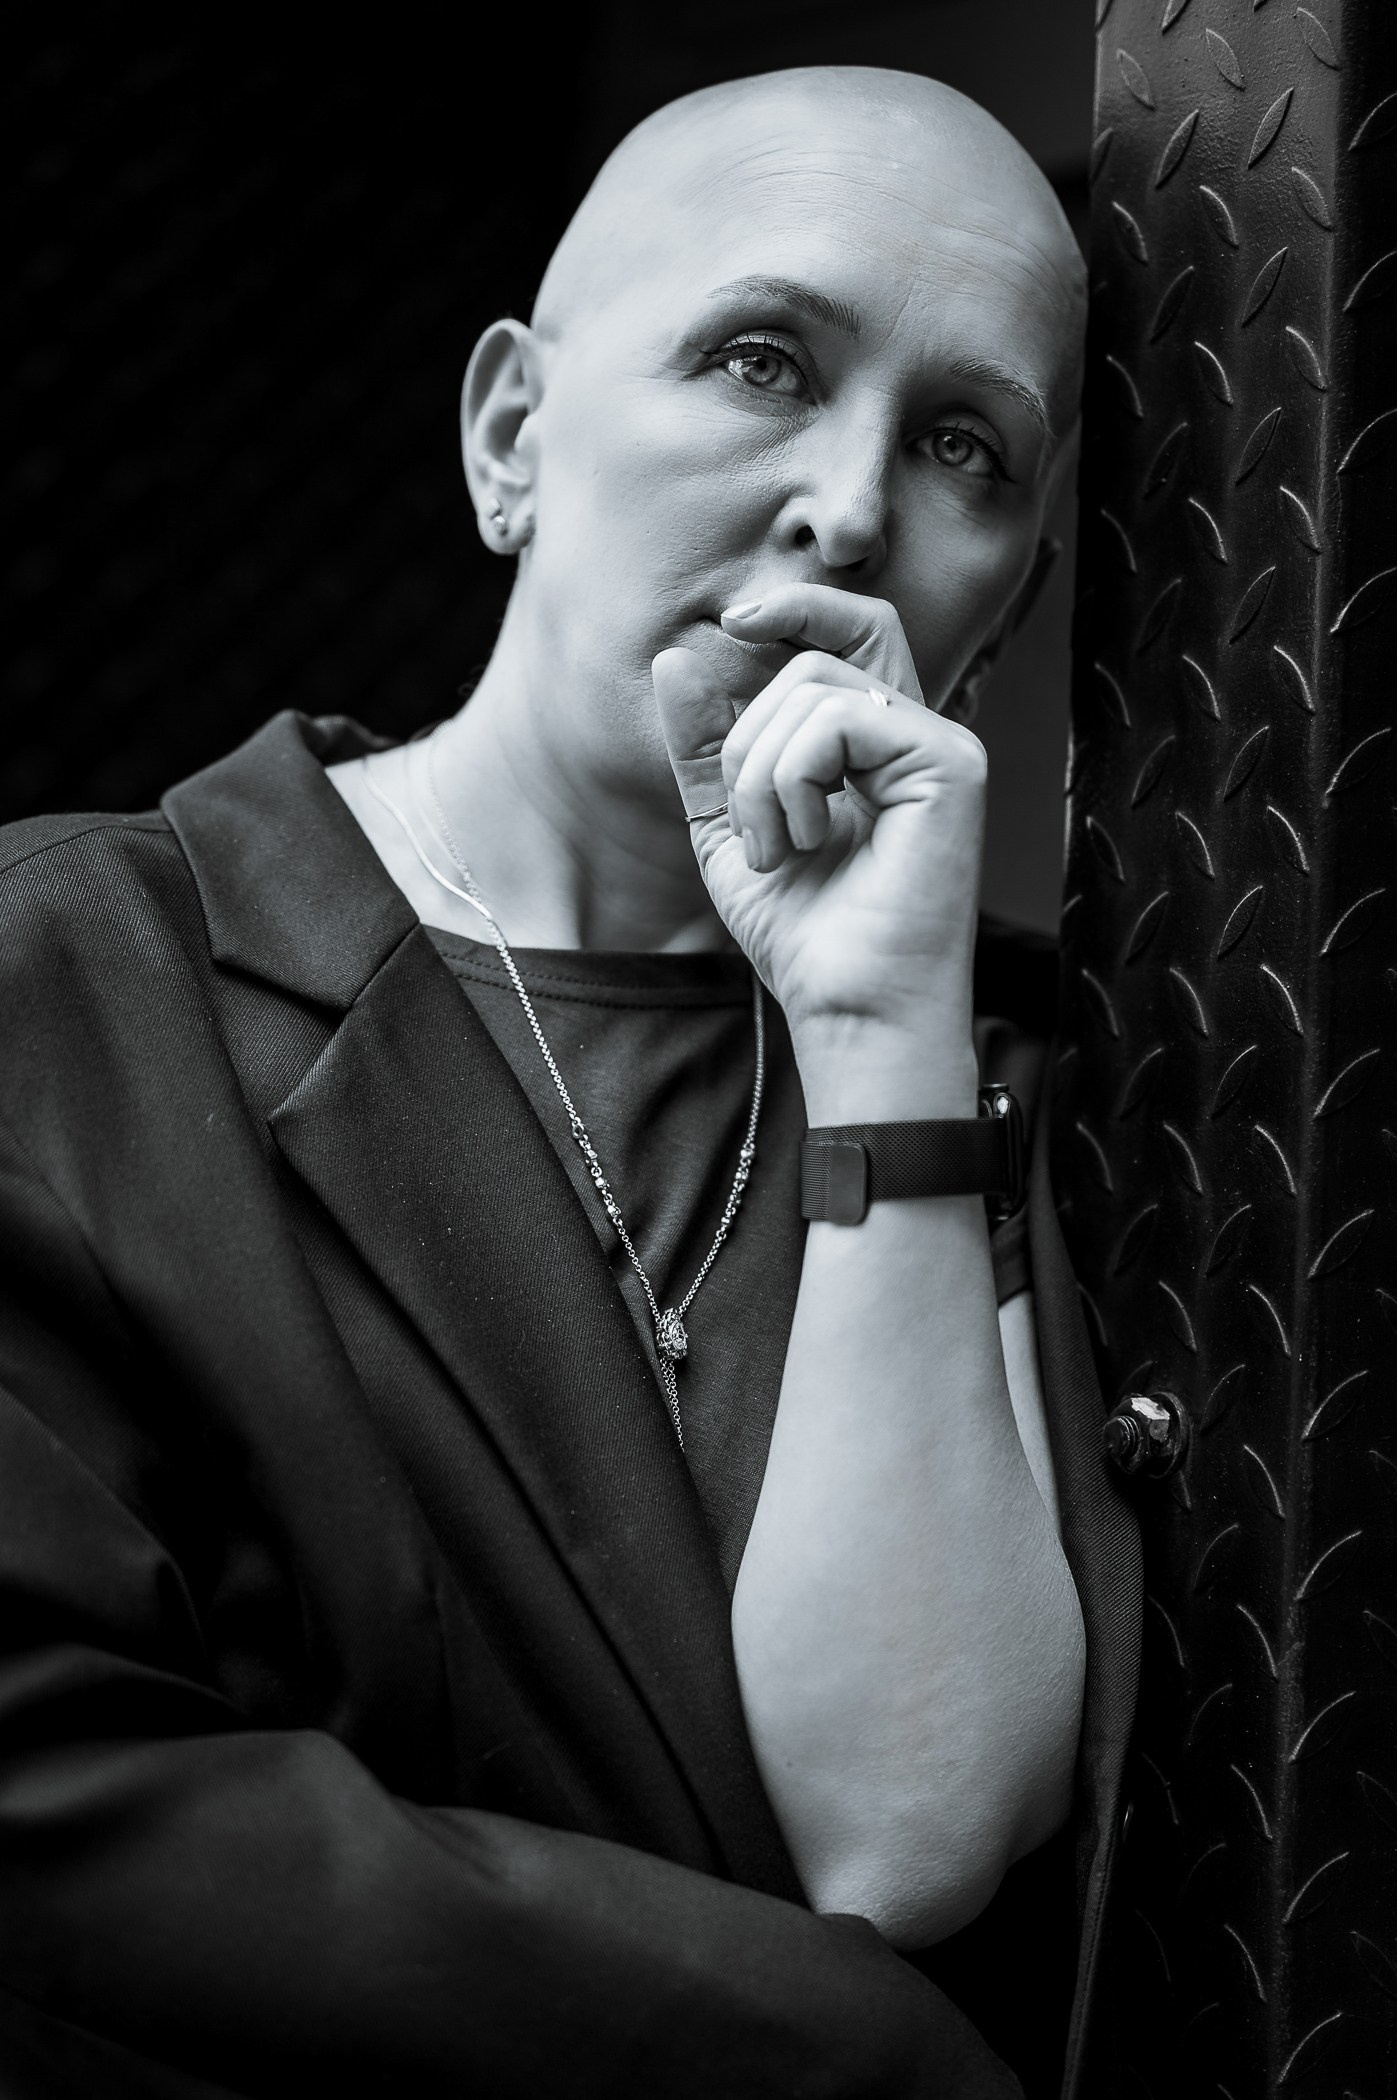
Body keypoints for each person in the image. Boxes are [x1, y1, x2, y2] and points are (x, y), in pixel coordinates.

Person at [0, 64, 1139, 2099]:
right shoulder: (68, 977)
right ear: (513, 435)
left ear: (1009, 607)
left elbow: (904, 1842)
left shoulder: (1064, 1083)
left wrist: (878, 1032)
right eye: (764, 361)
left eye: (963, 444)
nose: (850, 508)